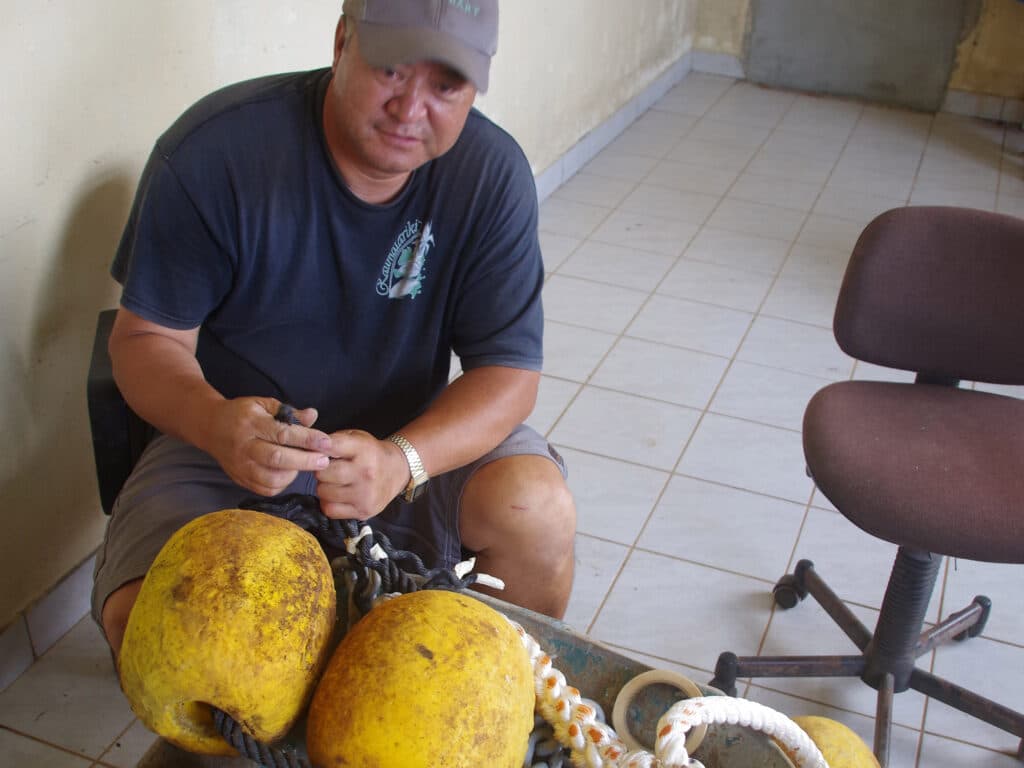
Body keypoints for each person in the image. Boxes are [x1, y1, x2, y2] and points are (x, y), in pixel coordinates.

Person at [92, 0, 576, 657]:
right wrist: (216, 425)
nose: (411, 110)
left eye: (445, 85)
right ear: (343, 40)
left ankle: (484, 706)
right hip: (236, 439)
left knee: (536, 512)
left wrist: (402, 460)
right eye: (391, 70)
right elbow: (145, 341)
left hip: (406, 437)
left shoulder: (490, 175)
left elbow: (509, 374)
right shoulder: (217, 152)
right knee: (144, 619)